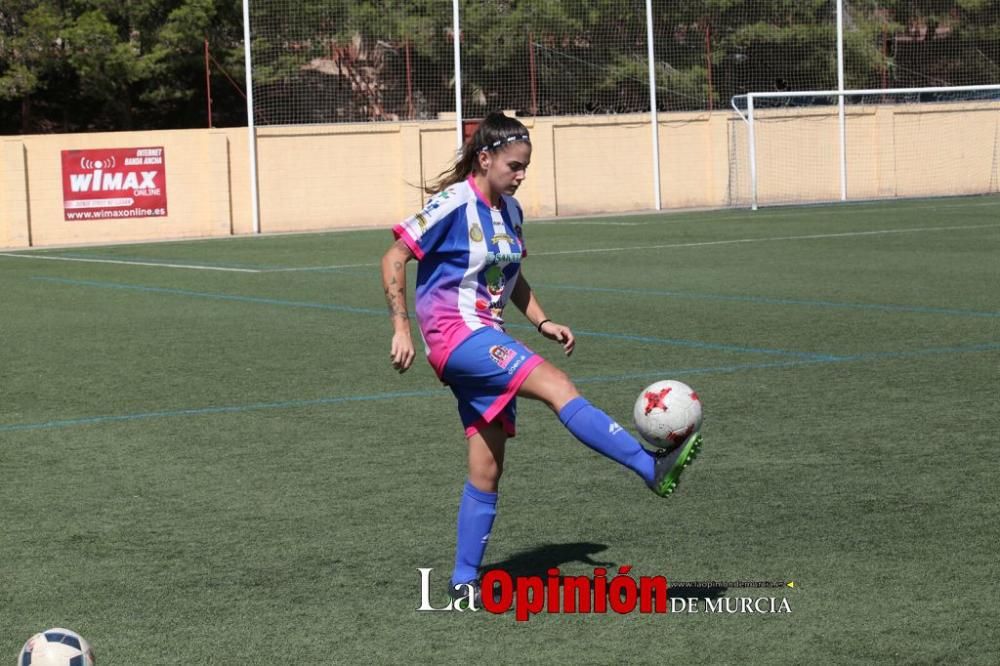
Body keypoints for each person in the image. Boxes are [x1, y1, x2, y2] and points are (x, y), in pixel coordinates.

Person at [380, 111, 702, 600]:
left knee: (487, 468)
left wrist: (543, 321)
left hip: (485, 337)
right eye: (514, 165)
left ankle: (463, 581)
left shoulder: (510, 211)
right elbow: (394, 257)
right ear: (484, 158)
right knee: (558, 387)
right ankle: (648, 467)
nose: (521, 174)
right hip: (457, 337)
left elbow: (509, 276)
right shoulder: (452, 204)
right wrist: (401, 326)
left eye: (526, 165)